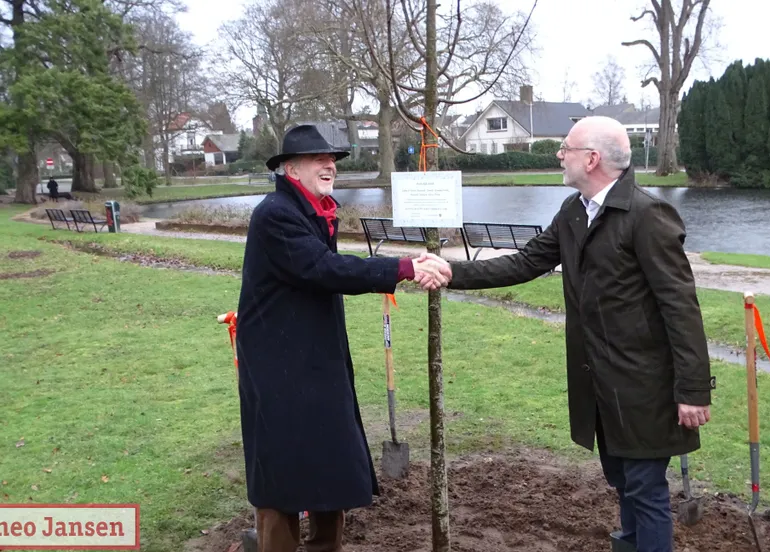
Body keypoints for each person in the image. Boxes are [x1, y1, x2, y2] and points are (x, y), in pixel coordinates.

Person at [431, 116, 713, 552]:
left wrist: (693, 389)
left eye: (566, 148)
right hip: (598, 383)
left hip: (643, 386)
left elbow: (680, 306)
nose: (559, 155)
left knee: (645, 488)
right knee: (621, 480)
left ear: (593, 158)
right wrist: (453, 271)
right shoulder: (573, 212)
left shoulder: (646, 214)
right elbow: (525, 263)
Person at [234, 124, 447, 552]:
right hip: (279, 363)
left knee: (330, 455)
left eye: (331, 159)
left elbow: (325, 271)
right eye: (319, 159)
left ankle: (325, 545)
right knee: (283, 468)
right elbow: (325, 269)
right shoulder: (276, 213)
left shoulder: (314, 210)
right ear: (291, 169)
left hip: (315, 357)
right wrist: (403, 268)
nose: (329, 165)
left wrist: (405, 265)